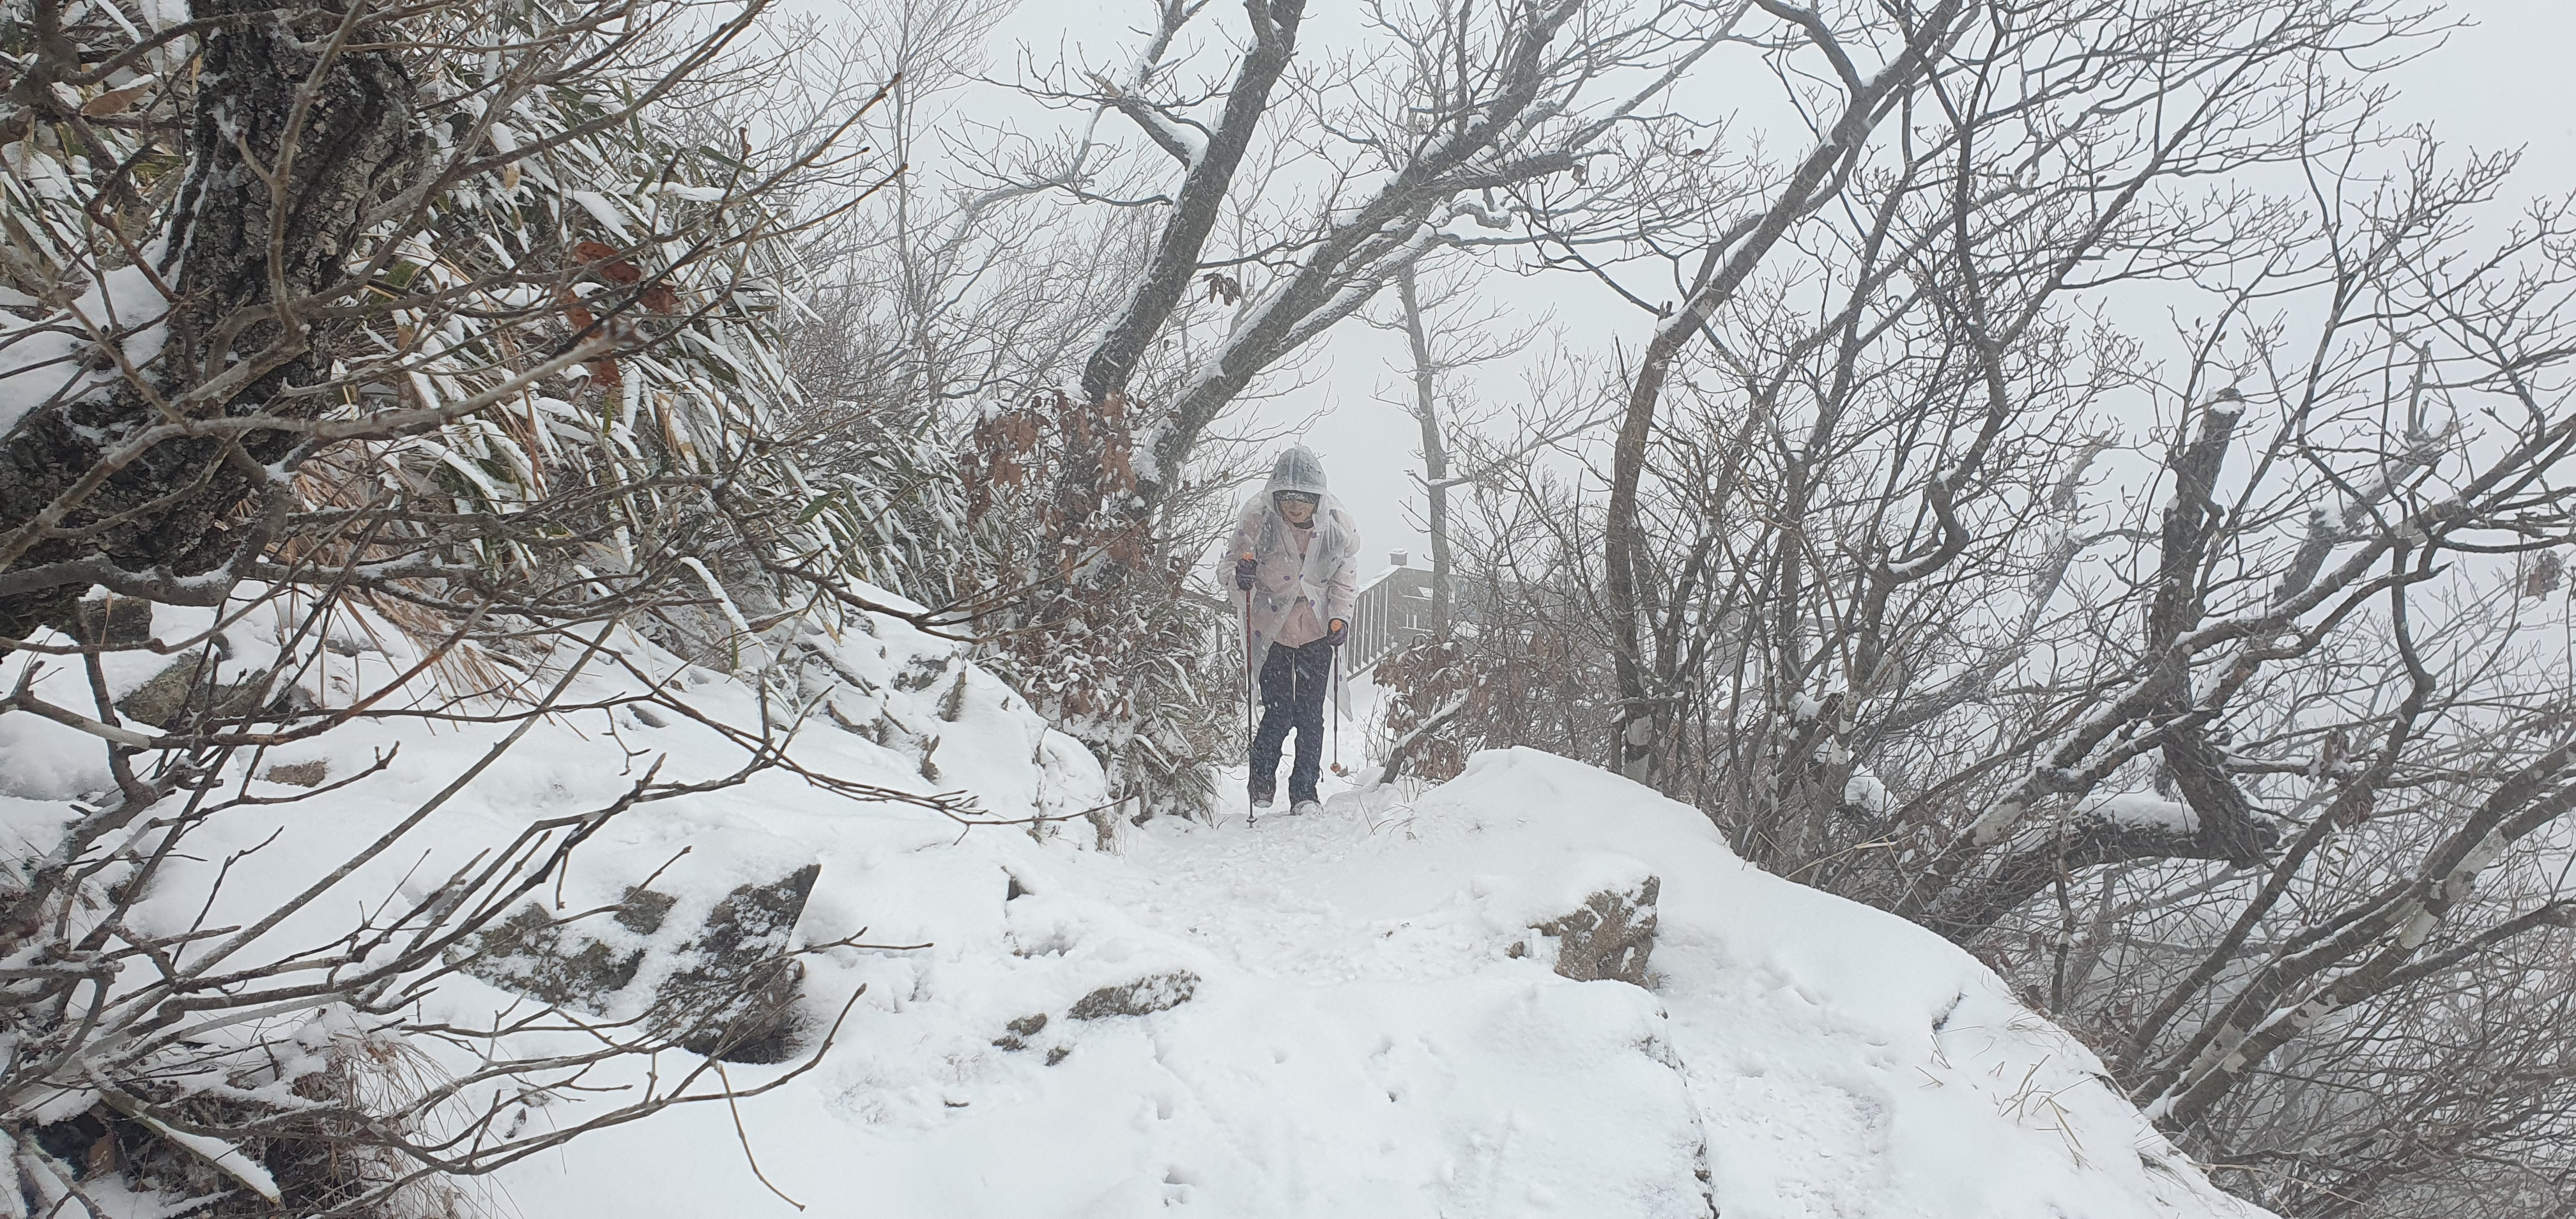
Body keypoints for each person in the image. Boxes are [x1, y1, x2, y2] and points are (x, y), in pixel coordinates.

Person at [1225, 446, 1360, 816]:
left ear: (1317, 498)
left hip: (1317, 630)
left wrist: (1340, 617)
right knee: (1279, 711)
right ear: (1276, 496)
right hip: (1271, 630)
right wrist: (1241, 577)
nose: (1295, 507)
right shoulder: (1259, 523)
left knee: (1311, 715)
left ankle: (1305, 792)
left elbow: (1344, 579)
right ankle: (1261, 780)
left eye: (1304, 499)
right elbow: (1232, 569)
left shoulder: (1335, 529)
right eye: (1287, 498)